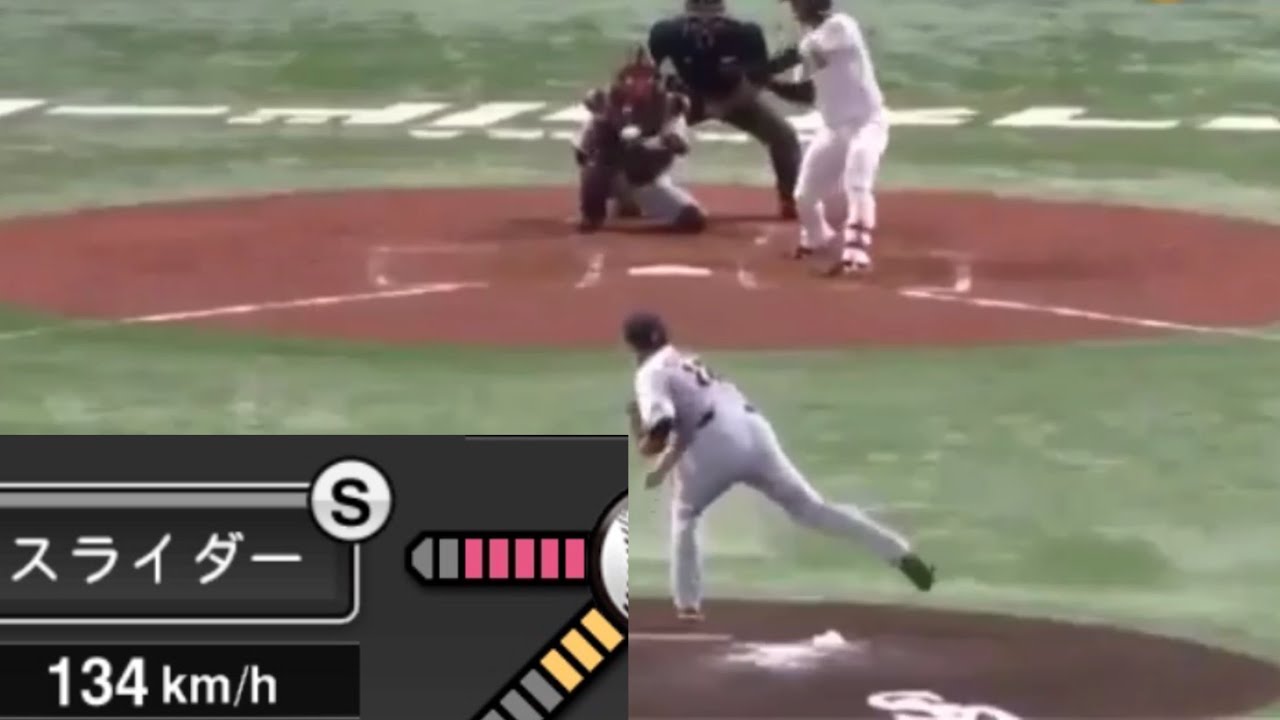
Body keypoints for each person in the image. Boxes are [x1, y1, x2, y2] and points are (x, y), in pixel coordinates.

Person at [623, 310, 936, 620]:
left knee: (685, 517)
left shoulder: (649, 374)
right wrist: (663, 468)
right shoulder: (686, 360)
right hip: (753, 429)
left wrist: (645, 442)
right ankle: (900, 554)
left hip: (714, 446)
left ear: (632, 344)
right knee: (812, 509)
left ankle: (688, 606)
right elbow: (692, 421)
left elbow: (664, 427)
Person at [646, 0, 805, 220]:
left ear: (724, 16)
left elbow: (758, 81)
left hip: (735, 96)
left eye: (714, 21)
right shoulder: (666, 33)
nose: (705, 27)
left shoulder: (746, 34)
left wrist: (724, 106)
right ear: (685, 17)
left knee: (784, 136)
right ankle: (631, 190)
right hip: (689, 98)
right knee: (644, 134)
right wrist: (668, 103)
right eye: (696, 21)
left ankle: (788, 198)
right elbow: (650, 76)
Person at [782, 0, 889, 275]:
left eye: (796, 2)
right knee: (804, 196)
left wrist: (763, 68)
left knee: (858, 183)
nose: (793, 8)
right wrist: (764, 83)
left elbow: (794, 56)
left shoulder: (841, 26)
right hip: (833, 129)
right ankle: (817, 238)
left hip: (866, 124)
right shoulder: (810, 42)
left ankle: (856, 252)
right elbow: (803, 93)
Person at [573, 48, 707, 234]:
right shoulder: (605, 104)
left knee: (691, 219)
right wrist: (611, 149)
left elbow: (680, 146)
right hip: (614, 174)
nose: (639, 83)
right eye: (633, 77)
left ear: (655, 79)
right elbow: (582, 152)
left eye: (645, 77)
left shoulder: (670, 105)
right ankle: (594, 213)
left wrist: (656, 143)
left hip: (648, 177)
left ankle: (633, 201)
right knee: (596, 164)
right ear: (621, 79)